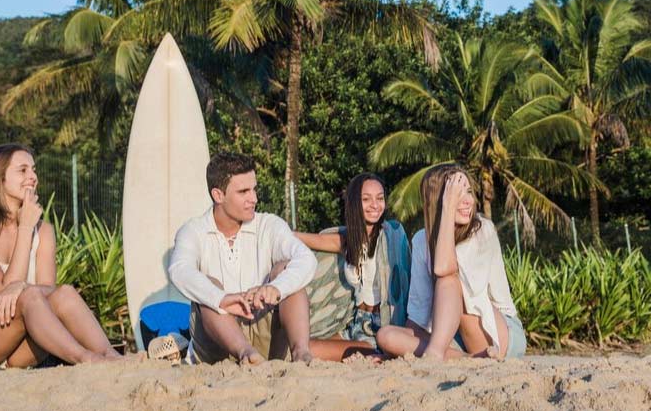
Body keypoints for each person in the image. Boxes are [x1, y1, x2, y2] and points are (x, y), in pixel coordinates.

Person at [0, 143, 125, 368]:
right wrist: (25, 226)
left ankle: (111, 356)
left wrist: (28, 287)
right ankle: (85, 358)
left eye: (34, 169)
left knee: (64, 293)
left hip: (18, 349)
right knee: (27, 296)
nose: (33, 177)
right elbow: (6, 287)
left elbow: (49, 291)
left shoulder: (44, 231)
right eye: (23, 170)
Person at [168, 152, 317, 365]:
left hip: (266, 332)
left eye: (254, 189)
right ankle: (246, 353)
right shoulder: (193, 231)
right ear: (218, 195)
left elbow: (306, 259)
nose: (254, 199)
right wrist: (221, 298)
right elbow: (179, 269)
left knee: (286, 269)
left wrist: (277, 288)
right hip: (216, 340)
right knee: (208, 286)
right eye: (244, 191)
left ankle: (302, 354)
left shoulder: (269, 224)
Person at [376, 164, 526, 360]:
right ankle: (467, 359)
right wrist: (396, 350)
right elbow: (419, 313)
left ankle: (436, 354)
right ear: (437, 200)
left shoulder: (482, 230)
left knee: (448, 280)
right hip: (449, 334)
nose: (468, 201)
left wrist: (448, 208)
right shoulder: (422, 239)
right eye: (457, 195)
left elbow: (445, 270)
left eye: (469, 192)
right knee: (386, 336)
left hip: (496, 332)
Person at [295, 173, 411, 361]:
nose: (375, 205)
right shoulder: (347, 240)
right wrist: (270, 232)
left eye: (380, 198)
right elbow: (305, 239)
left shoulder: (392, 236)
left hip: (379, 326)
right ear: (354, 203)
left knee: (309, 349)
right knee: (298, 343)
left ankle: (383, 353)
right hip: (353, 322)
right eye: (366, 199)